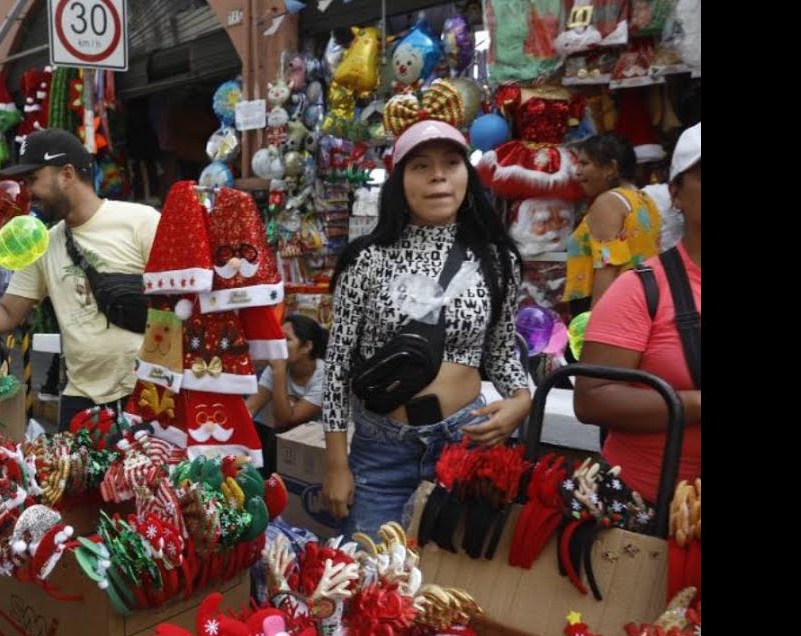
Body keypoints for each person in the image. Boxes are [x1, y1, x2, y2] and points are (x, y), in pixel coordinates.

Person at [322, 109, 532, 535]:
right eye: (421, 167)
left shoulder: (497, 259)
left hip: (467, 441)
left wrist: (521, 401)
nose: (438, 177)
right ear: (400, 181)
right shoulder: (366, 259)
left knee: (453, 586)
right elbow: (338, 365)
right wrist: (336, 463)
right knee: (371, 579)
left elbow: (501, 350)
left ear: (466, 176)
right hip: (381, 451)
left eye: (451, 164)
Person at [0, 129, 161, 430]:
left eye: (32, 179)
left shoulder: (141, 221)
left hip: (147, 393)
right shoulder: (41, 244)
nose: (26, 192)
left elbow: (177, 306)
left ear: (67, 174)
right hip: (81, 400)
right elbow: (8, 312)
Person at [573, 123, 700, 503]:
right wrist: (694, 404)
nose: (578, 171)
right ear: (675, 192)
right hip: (651, 517)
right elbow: (591, 399)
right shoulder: (640, 289)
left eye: (586, 163)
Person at [564, 133, 662, 312]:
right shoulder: (642, 198)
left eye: (585, 163)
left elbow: (607, 268)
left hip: (611, 309)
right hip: (640, 302)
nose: (577, 171)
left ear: (610, 168)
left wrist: (595, 325)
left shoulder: (608, 202)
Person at [245, 314, 329, 474]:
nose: (279, 345)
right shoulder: (278, 366)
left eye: (286, 339)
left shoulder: (324, 375)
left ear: (307, 347)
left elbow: (285, 420)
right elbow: (250, 407)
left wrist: (279, 372)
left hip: (315, 448)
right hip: (275, 441)